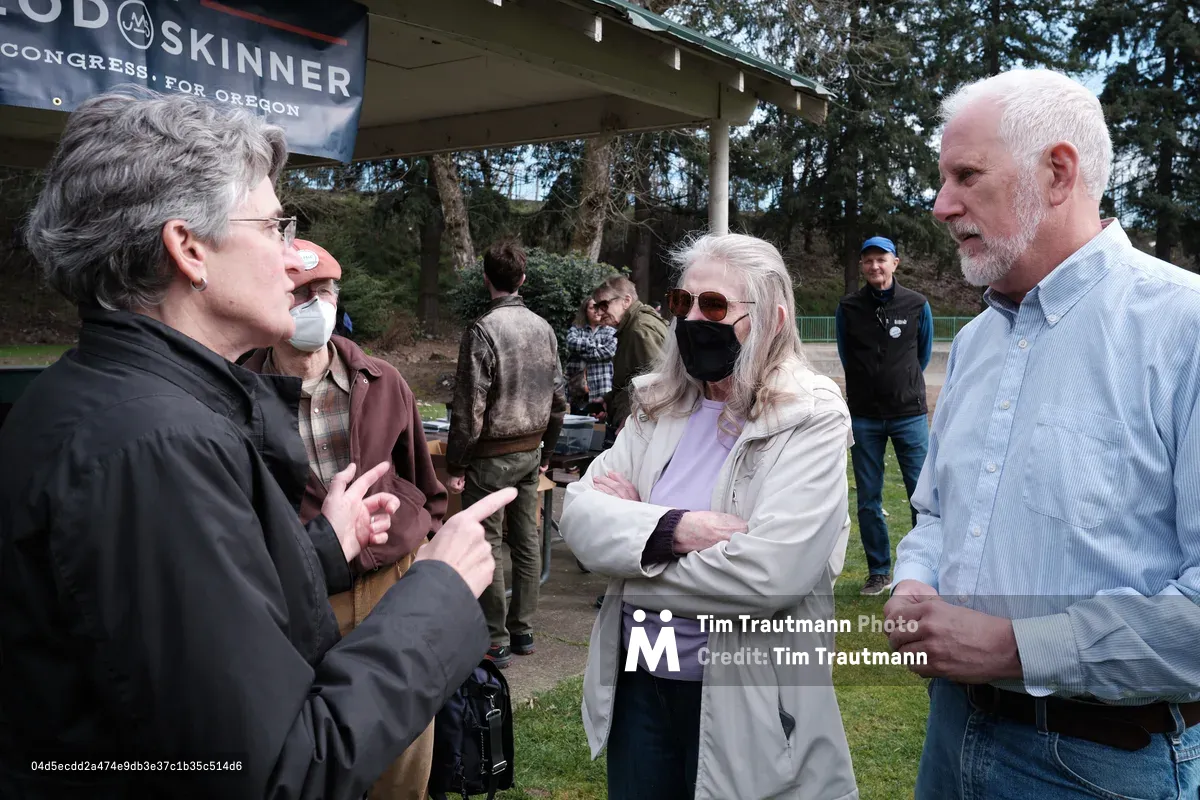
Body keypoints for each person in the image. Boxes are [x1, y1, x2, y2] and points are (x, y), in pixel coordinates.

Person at [0, 87, 514, 799]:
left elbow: (179, 623)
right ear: (187, 249)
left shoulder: (101, 400)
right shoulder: (153, 448)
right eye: (275, 227)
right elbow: (276, 771)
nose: (295, 255)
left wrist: (323, 548)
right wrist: (442, 594)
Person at [885, 68, 1200, 799]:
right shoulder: (977, 342)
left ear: (1059, 172)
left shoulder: (1182, 330)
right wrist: (913, 583)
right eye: (942, 178)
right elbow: (936, 512)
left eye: (966, 175)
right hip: (952, 730)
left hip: (1102, 764)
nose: (940, 205)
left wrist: (1015, 647)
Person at [561, 233, 857, 800]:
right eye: (682, 303)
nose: (693, 319)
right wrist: (675, 530)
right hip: (641, 683)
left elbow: (771, 574)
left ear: (769, 317)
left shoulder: (810, 415)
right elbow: (578, 513)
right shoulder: (658, 402)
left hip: (746, 692)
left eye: (714, 306)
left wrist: (631, 552)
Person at [241, 238, 446, 800]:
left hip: (390, 590)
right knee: (307, 756)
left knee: (402, 759)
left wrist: (421, 556)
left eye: (323, 291)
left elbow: (422, 485)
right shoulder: (240, 393)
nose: (313, 303)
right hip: (301, 599)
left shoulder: (383, 382)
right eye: (298, 292)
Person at [445, 239, 568, 668]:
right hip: (531, 453)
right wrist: (547, 451)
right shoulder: (544, 328)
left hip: (490, 458)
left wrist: (456, 463)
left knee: (489, 542)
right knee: (528, 541)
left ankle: (494, 639)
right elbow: (560, 400)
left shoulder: (482, 331)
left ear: (486, 279)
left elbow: (468, 407)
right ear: (523, 279)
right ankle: (524, 629)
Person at [835, 236, 933, 596]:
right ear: (862, 267)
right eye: (868, 261)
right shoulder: (848, 308)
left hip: (909, 415)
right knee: (868, 498)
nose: (875, 266)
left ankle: (921, 570)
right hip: (864, 417)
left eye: (882, 259)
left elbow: (921, 356)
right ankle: (879, 571)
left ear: (896, 262)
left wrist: (901, 384)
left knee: (921, 496)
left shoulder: (917, 304)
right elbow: (847, 357)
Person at [592, 276, 667, 438]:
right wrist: (608, 399)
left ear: (626, 301)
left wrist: (631, 421)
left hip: (641, 429)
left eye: (604, 305)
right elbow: (633, 377)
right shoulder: (633, 326)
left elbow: (658, 384)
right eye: (597, 307)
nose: (599, 312)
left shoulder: (639, 330)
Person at [565, 296, 617, 416]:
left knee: (599, 429)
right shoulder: (577, 329)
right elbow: (571, 342)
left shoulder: (611, 331)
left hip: (601, 388)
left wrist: (582, 351)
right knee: (576, 427)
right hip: (577, 389)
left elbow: (609, 352)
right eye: (592, 307)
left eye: (599, 307)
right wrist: (596, 345)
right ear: (585, 310)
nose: (596, 311)